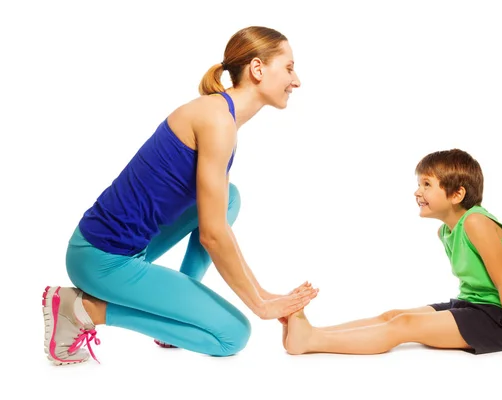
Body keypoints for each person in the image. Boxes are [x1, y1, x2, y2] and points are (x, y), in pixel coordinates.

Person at [42, 26, 319, 366]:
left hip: (111, 248)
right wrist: (260, 306)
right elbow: (214, 235)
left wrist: (265, 293)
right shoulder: (218, 123)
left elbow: (217, 221)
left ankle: (175, 314)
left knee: (228, 197)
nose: (297, 80)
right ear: (258, 69)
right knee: (233, 334)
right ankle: (83, 309)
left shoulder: (220, 115)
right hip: (101, 261)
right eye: (289, 68)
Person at [281, 149, 502, 367]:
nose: (417, 192)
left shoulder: (476, 222)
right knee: (392, 315)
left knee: (404, 325)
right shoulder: (446, 231)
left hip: (496, 321)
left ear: (457, 194)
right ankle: (312, 333)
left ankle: (310, 341)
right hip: (472, 307)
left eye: (427, 184)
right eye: (419, 184)